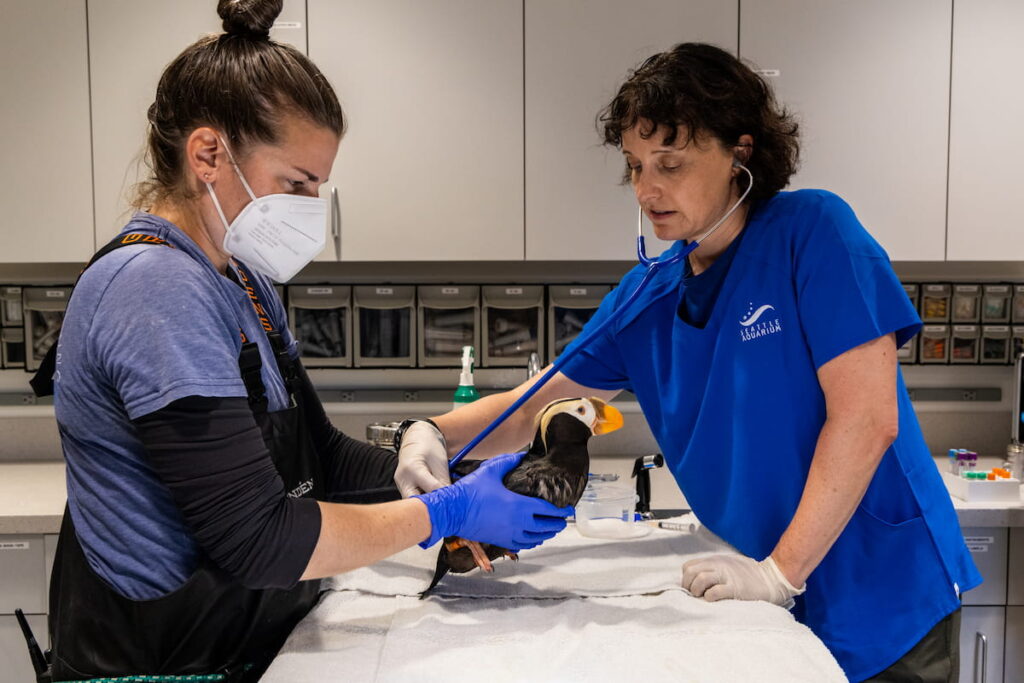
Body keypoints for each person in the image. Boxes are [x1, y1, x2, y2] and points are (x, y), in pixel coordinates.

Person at [395, 43, 980, 682]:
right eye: (635, 166)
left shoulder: (813, 233)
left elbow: (868, 420)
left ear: (740, 153)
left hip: (881, 595)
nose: (647, 189)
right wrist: (428, 433)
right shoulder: (648, 294)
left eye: (670, 163)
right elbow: (539, 403)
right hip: (762, 601)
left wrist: (780, 574)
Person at [44, 1, 571, 680]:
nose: (307, 207)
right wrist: (444, 511)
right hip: (162, 664)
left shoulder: (243, 283)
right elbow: (258, 538)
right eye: (295, 183)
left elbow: (316, 460)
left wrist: (428, 470)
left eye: (317, 186)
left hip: (245, 647)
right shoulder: (153, 287)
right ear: (208, 154)